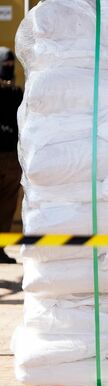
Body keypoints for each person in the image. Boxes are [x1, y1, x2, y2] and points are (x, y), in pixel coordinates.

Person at [0, 48, 22, 264]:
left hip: (12, 158)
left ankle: (0, 248)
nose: (7, 68)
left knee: (7, 207)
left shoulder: (16, 93)